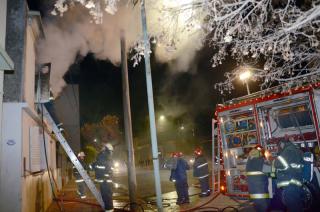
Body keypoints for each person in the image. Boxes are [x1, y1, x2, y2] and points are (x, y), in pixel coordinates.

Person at [273, 139, 304, 212]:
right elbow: (289, 166)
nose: (277, 148)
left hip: (290, 184)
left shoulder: (288, 151)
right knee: (296, 206)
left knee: (293, 207)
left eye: (277, 147)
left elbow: (277, 164)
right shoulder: (296, 150)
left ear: (281, 145)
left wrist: (273, 159)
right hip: (296, 182)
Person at [246, 145, 271, 212]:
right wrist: (268, 159)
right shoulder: (259, 161)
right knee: (264, 208)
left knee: (259, 208)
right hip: (261, 193)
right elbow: (271, 173)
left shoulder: (250, 161)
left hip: (255, 193)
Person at [94, 143, 114, 212]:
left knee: (106, 196)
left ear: (105, 149)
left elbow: (99, 165)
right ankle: (109, 209)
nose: (102, 148)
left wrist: (105, 176)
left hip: (105, 181)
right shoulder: (106, 156)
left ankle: (109, 210)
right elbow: (99, 165)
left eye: (103, 147)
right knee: (106, 195)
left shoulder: (103, 156)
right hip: (106, 180)